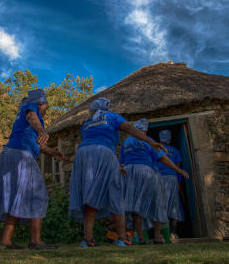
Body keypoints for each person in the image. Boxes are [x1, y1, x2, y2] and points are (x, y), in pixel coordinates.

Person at [69, 98, 167, 247]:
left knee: (91, 194)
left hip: (83, 155)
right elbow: (127, 127)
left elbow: (97, 142)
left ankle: (87, 238)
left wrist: (115, 164)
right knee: (115, 192)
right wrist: (149, 140)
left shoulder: (86, 124)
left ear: (93, 110)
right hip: (103, 153)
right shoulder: (111, 117)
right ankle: (122, 238)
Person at [0, 89, 63, 250]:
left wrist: (52, 152)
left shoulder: (23, 114)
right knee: (38, 194)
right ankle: (36, 241)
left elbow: (36, 143)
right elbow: (31, 118)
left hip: (10, 154)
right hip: (21, 156)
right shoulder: (31, 108)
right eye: (46, 104)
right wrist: (42, 131)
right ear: (41, 103)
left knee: (18, 197)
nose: (47, 107)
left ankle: (6, 240)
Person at [120, 119, 189, 245]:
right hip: (147, 172)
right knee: (156, 203)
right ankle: (158, 236)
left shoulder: (125, 143)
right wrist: (178, 169)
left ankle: (141, 238)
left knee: (136, 207)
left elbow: (122, 164)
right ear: (144, 130)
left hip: (129, 174)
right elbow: (163, 158)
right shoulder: (148, 141)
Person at [157, 130, 186, 241]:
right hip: (172, 179)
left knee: (161, 204)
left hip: (159, 179)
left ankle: (161, 233)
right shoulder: (175, 151)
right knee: (174, 205)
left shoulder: (157, 149)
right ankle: (173, 232)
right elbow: (178, 169)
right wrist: (179, 184)